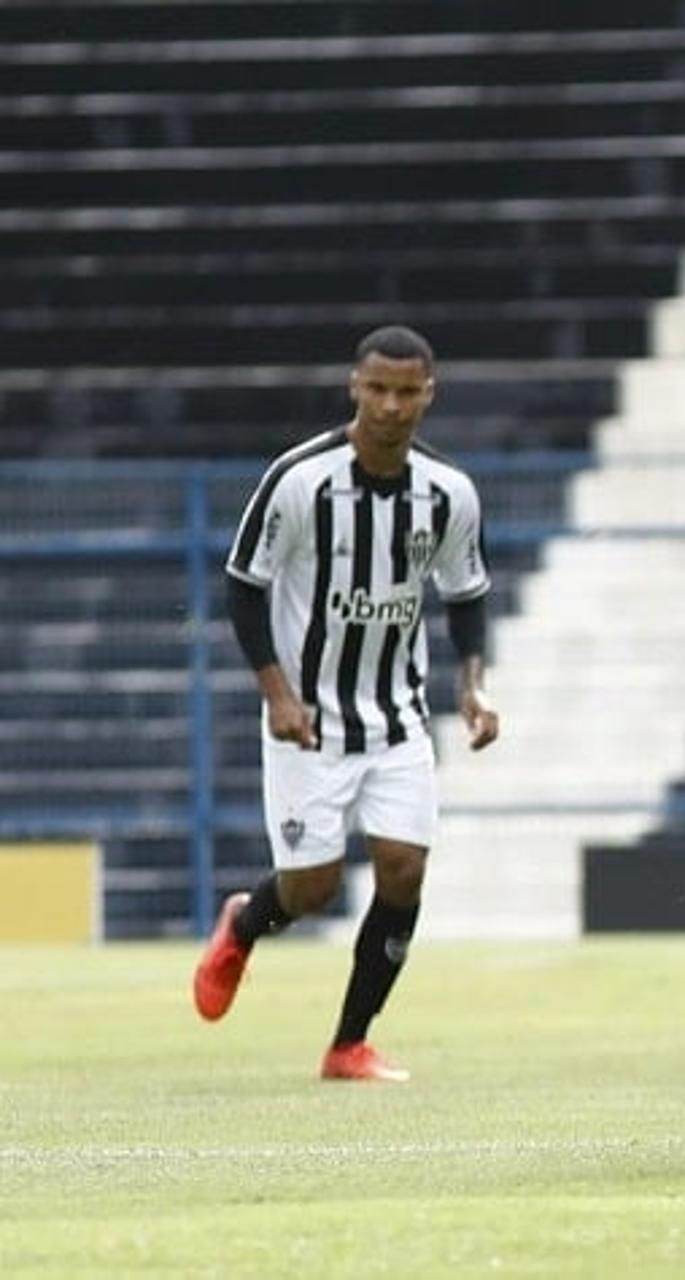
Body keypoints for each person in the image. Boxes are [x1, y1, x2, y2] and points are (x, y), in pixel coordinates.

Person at [194, 324, 500, 1083]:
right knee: (313, 886)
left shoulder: (450, 494)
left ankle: (348, 1044)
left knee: (403, 870)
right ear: (354, 388)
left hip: (397, 716)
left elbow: (467, 596)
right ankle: (244, 923)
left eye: (408, 392)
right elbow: (244, 585)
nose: (392, 407)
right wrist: (276, 693)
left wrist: (472, 684)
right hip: (310, 723)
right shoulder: (300, 481)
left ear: (429, 395)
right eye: (378, 390)